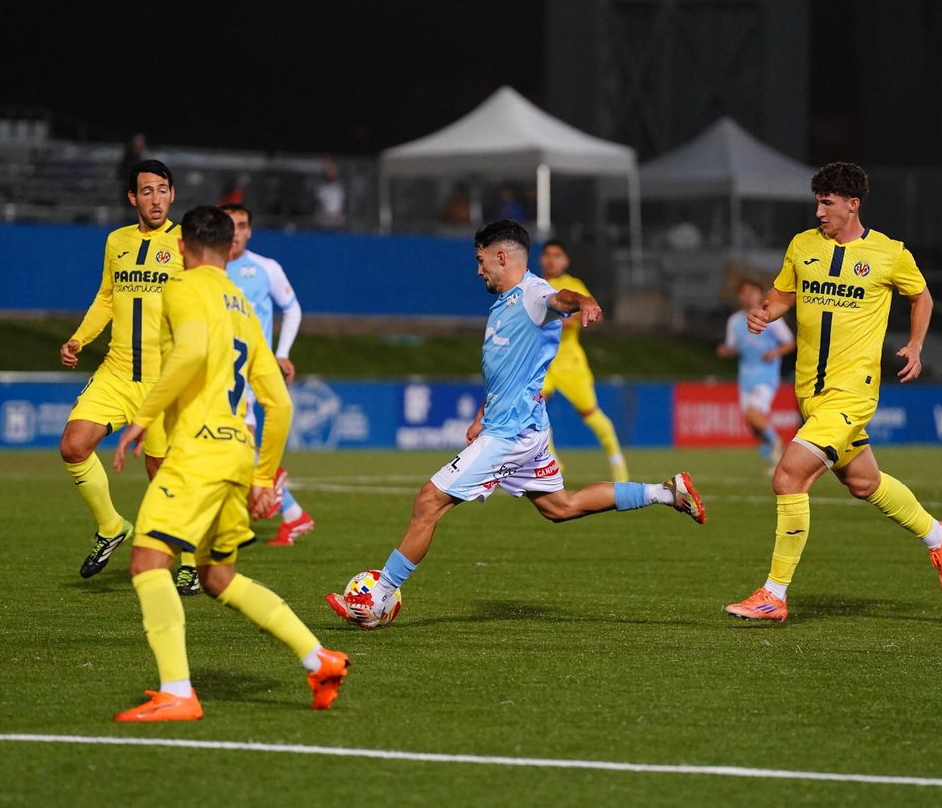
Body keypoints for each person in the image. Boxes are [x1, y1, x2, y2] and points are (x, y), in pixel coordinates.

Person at [326, 219, 706, 629]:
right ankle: (667, 493)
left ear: (501, 256)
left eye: (481, 260)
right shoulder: (505, 304)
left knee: (428, 502)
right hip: (520, 428)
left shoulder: (533, 294)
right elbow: (504, 372)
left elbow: (561, 297)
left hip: (511, 435)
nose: (478, 270)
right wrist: (479, 417)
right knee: (560, 507)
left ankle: (377, 601)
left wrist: (586, 300)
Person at [110, 205, 347, 721]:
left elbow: (191, 351)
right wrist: (264, 475)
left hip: (197, 449)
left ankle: (177, 692)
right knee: (218, 577)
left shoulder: (182, 287)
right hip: (237, 450)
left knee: (148, 562)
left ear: (182, 247)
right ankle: (320, 657)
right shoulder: (242, 303)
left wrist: (143, 417)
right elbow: (279, 403)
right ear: (227, 247)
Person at [726, 163, 942, 623]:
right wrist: (763, 314)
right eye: (817, 202)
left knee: (788, 478)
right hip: (809, 391)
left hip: (851, 392)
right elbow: (781, 295)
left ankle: (773, 594)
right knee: (864, 483)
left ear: (853, 204)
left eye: (827, 203)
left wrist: (914, 344)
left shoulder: (889, 253)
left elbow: (922, 297)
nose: (819, 212)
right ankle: (938, 536)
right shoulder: (803, 245)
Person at [58, 160, 184, 578]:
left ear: (172, 194)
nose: (155, 198)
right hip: (116, 371)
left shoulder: (186, 243)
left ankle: (194, 561)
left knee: (160, 475)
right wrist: (79, 339)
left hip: (163, 380)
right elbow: (107, 298)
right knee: (74, 446)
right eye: (146, 191)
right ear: (133, 198)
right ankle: (111, 526)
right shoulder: (117, 241)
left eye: (162, 189)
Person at [218, 202, 312, 554]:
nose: (236, 232)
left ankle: (262, 488)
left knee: (236, 439)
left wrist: (282, 352)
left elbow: (293, 309)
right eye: (230, 225)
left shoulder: (265, 268)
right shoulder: (209, 266)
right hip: (218, 368)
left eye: (242, 225)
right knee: (235, 441)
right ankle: (291, 511)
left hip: (249, 369)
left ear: (250, 230)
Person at [538, 239, 629, 482]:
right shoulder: (535, 285)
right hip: (542, 360)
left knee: (590, 413)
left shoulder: (573, 285)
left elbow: (595, 314)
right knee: (535, 407)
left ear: (565, 261)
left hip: (569, 359)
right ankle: (552, 463)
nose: (551, 259)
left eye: (557, 255)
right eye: (547, 254)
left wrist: (572, 319)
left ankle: (617, 460)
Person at [717, 276, 796, 467]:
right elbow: (733, 346)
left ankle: (776, 441)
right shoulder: (735, 321)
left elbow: (789, 342)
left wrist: (775, 352)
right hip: (745, 377)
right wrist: (726, 351)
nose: (748, 296)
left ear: (760, 294)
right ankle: (775, 461)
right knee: (753, 426)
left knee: (753, 414)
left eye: (752, 292)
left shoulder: (769, 316)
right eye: (744, 292)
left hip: (766, 375)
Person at [313, 157, 345, 227]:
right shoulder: (320, 189)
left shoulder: (339, 189)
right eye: (329, 173)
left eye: (333, 173)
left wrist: (337, 215)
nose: (331, 175)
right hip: (323, 221)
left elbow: (341, 205)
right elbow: (318, 204)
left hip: (337, 222)